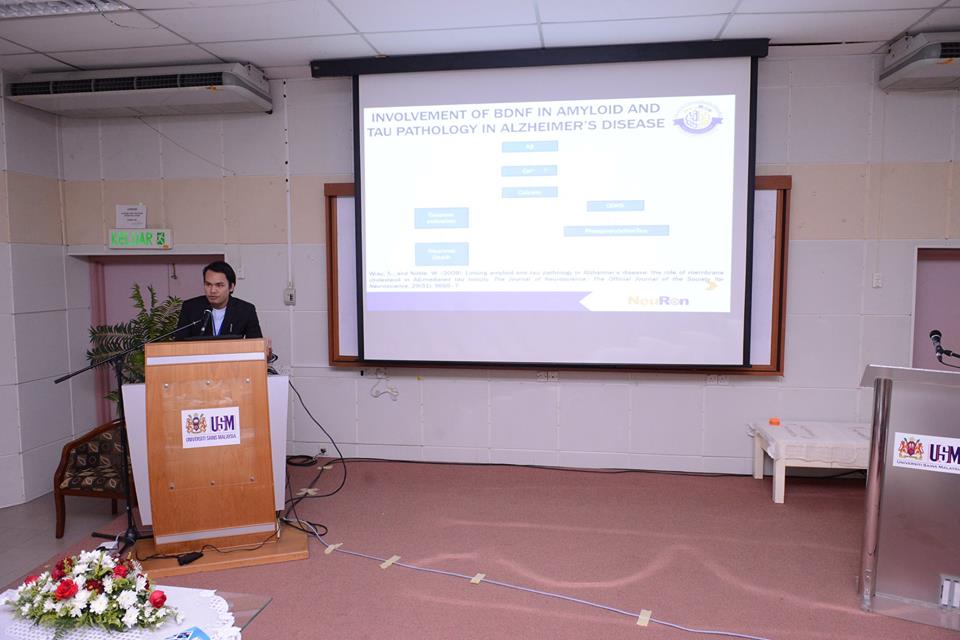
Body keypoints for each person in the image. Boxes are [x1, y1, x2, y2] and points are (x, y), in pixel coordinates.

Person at [175, 260, 262, 339]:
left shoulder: (245, 310)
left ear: (231, 287)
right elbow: (179, 342)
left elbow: (256, 343)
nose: (212, 290)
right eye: (208, 284)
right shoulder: (190, 308)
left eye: (219, 285)